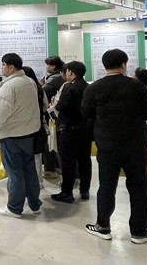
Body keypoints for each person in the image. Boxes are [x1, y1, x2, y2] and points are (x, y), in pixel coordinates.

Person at [81, 49, 147, 244]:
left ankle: (103, 226)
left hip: (107, 144)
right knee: (138, 187)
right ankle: (139, 232)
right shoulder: (137, 86)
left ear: (104, 65)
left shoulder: (94, 88)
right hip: (136, 145)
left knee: (106, 186)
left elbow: (86, 113)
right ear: (124, 64)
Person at [0, 53, 42, 218]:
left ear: (11, 67)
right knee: (29, 170)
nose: (1, 68)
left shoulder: (9, 86)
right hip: (28, 134)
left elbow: (0, 113)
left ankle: (14, 207)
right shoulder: (30, 82)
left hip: (11, 135)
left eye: (3, 64)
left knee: (14, 173)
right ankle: (34, 204)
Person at [51, 61, 91, 203]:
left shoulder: (69, 87)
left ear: (70, 72)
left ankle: (67, 192)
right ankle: (85, 190)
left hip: (69, 129)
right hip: (85, 130)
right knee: (85, 160)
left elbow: (61, 106)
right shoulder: (88, 87)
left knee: (68, 161)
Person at [21, 66, 48, 189]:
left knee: (26, 157)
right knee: (37, 156)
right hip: (38, 125)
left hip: (24, 127)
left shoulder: (22, 90)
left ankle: (28, 181)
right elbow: (45, 106)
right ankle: (38, 181)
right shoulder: (40, 89)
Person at [40, 55, 65, 179]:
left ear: (54, 66)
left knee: (50, 142)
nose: (46, 67)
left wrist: (40, 86)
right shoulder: (57, 77)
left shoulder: (54, 78)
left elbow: (44, 92)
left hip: (51, 116)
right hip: (58, 116)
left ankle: (50, 169)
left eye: (47, 65)